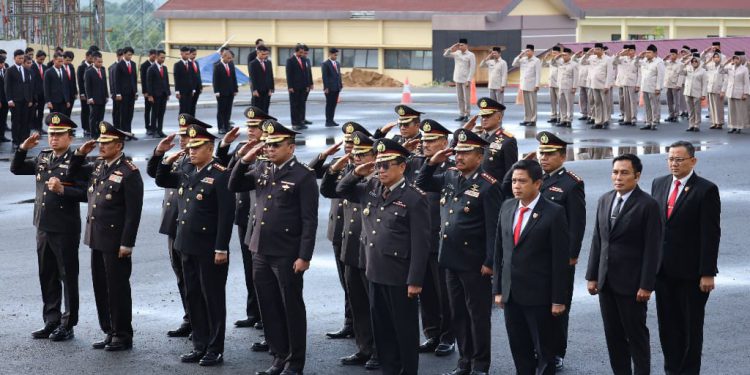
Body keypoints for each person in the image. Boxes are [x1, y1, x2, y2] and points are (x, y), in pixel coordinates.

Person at [228, 120, 319, 375]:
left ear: (290, 147)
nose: (269, 149)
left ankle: (295, 362)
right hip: (260, 249)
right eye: (267, 145)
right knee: (268, 306)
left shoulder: (303, 175)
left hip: (287, 253)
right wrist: (245, 159)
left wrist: (304, 256)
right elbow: (233, 185)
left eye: (275, 145)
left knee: (290, 307)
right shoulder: (262, 168)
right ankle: (279, 357)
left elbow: (309, 220)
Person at [335, 138, 430, 375]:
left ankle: (407, 371)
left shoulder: (414, 197)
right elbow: (339, 190)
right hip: (375, 270)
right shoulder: (371, 187)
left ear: (402, 167)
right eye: (378, 165)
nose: (380, 170)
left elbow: (421, 242)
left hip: (400, 275)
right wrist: (357, 172)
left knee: (404, 331)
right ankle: (389, 369)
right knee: (382, 329)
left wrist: (416, 280)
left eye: (386, 165)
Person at [417, 128, 501, 375]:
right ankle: (464, 362)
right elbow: (422, 184)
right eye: (457, 153)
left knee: (478, 316)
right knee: (458, 314)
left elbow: (493, 228)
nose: (459, 157)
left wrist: (490, 261)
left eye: (465, 153)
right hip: (450, 259)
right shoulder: (451, 175)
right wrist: (432, 163)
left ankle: (480, 364)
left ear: (480, 155)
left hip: (475, 262)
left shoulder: (488, 185)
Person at [501, 131, 585, 371]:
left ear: (562, 155)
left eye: (549, 154)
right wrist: (521, 165)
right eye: (541, 154)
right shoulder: (534, 178)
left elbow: (576, 224)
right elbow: (506, 189)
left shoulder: (571, 183)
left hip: (557, 256)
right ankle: (540, 349)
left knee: (557, 308)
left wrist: (571, 255)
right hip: (532, 255)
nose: (544, 158)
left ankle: (557, 350)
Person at [155, 123, 235, 367]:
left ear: (210, 148)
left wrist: (222, 247)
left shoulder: (221, 174)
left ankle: (214, 348)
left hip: (209, 248)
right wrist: (165, 160)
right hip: (185, 244)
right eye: (190, 147)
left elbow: (226, 215)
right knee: (193, 296)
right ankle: (199, 345)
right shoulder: (187, 169)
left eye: (197, 147)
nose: (191, 151)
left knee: (212, 298)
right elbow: (161, 180)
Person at [10, 113, 87, 342]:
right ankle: (50, 320)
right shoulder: (43, 157)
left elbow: (86, 193)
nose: (53, 139)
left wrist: (64, 190)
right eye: (51, 134)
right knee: (47, 274)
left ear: (70, 138)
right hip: (43, 225)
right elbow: (16, 168)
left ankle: (68, 323)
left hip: (65, 227)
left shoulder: (77, 161)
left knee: (67, 276)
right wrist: (23, 148)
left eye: (59, 135)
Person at [69, 122, 144, 352]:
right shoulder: (99, 165)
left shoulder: (129, 172)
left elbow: (133, 213)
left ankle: (122, 334)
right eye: (100, 142)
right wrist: (80, 153)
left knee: (117, 287)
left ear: (119, 145)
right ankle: (109, 330)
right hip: (96, 237)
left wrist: (127, 243)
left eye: (106, 143)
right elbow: (72, 173)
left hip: (115, 241)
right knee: (101, 286)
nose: (101, 147)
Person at [586, 154, 662, 375]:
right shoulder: (605, 199)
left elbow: (653, 248)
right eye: (615, 172)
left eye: (624, 173)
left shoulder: (648, 205)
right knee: (613, 335)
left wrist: (647, 284)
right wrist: (592, 276)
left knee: (636, 335)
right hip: (606, 281)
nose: (618, 177)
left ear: (637, 176)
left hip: (632, 284)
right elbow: (597, 240)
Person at [493, 159, 569, 375]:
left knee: (545, 352)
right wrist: (498, 289)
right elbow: (500, 251)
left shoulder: (554, 213)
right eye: (514, 181)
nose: (516, 185)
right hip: (511, 294)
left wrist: (558, 299)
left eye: (522, 181)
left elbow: (559, 260)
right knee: (519, 349)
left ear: (537, 184)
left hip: (540, 297)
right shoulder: (507, 207)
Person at [651, 141, 721, 375]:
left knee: (690, 327)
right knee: (667, 327)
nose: (674, 163)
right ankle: (671, 370)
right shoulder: (659, 184)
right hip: (663, 271)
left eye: (679, 159)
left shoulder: (705, 190)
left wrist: (708, 272)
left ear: (693, 161)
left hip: (692, 274)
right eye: (670, 159)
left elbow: (710, 234)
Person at [319, 129, 381, 370]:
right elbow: (327, 190)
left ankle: (379, 350)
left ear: (373, 156)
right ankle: (364, 348)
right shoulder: (351, 176)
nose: (356, 159)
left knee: (375, 305)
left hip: (370, 252)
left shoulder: (378, 179)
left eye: (362, 155)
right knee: (357, 302)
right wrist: (337, 168)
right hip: (350, 247)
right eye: (354, 155)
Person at [308, 123, 371, 341]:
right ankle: (350, 323)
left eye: (352, 144)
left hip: (361, 236)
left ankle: (365, 332)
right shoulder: (341, 165)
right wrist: (326, 157)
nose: (348, 148)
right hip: (340, 232)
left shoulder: (367, 170)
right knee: (348, 283)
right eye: (345, 142)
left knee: (361, 287)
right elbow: (314, 174)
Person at [221, 107, 274, 331]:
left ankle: (266, 317)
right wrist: (224, 146)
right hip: (244, 216)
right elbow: (226, 171)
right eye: (249, 127)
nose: (250, 131)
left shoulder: (271, 151)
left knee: (262, 271)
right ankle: (253, 312)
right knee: (248, 267)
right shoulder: (244, 149)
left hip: (261, 219)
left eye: (255, 127)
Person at [408, 120, 456, 359]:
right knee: (425, 289)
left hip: (442, 237)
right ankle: (432, 333)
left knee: (443, 292)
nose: (425, 144)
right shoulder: (416, 163)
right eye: (424, 140)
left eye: (431, 140)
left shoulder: (453, 167)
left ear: (444, 143)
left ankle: (448, 337)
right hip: (420, 237)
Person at [467, 97, 518, 182]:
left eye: (488, 115)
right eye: (482, 116)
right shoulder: (478, 137)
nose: (484, 119)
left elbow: (510, 173)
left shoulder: (508, 141)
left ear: (499, 117)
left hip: (495, 191)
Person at [581, 43, 614, 129]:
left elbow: (610, 73)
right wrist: (588, 53)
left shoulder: (608, 59)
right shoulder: (592, 58)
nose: (596, 51)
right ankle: (598, 121)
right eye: (595, 49)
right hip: (594, 84)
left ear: (602, 50)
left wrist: (607, 85)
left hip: (603, 85)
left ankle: (606, 120)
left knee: (605, 103)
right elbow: (582, 62)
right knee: (597, 103)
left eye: (598, 49)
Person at [5, 49, 33, 150]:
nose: (21, 60)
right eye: (19, 58)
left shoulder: (26, 70)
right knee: (16, 121)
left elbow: (28, 85)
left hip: (25, 100)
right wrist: (9, 100)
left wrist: (30, 99)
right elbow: (7, 86)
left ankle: (23, 140)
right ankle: (15, 141)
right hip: (15, 101)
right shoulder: (10, 70)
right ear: (14, 58)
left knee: (25, 121)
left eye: (22, 58)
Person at [443, 38, 476, 122]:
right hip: (457, 79)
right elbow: (445, 55)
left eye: (462, 45)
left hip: (465, 80)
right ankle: (461, 114)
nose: (460, 46)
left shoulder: (470, 55)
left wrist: (469, 80)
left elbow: (472, 68)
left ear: (466, 45)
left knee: (466, 98)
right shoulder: (457, 53)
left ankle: (467, 114)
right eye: (459, 45)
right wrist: (452, 47)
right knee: (460, 98)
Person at [636, 44, 665, 130]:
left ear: (655, 53)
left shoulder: (659, 62)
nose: (647, 54)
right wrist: (638, 57)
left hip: (653, 88)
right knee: (647, 106)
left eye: (649, 52)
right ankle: (648, 122)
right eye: (647, 52)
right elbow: (636, 64)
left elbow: (661, 76)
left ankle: (654, 122)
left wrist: (658, 88)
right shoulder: (644, 60)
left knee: (654, 106)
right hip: (645, 87)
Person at [512, 45, 542, 126]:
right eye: (526, 51)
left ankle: (533, 120)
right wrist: (520, 55)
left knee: (533, 104)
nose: (527, 52)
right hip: (524, 84)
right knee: (526, 104)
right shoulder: (523, 59)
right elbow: (514, 64)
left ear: (533, 51)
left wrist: (537, 85)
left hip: (532, 85)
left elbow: (538, 74)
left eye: (528, 51)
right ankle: (527, 119)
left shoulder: (536, 60)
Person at [722, 51, 750, 134]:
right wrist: (726, 62)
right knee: (731, 111)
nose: (735, 60)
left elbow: (746, 82)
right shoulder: (730, 67)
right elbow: (720, 70)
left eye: (737, 59)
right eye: (734, 59)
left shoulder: (744, 69)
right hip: (731, 92)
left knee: (739, 110)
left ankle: (739, 127)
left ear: (740, 60)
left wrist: (745, 93)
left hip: (740, 92)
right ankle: (732, 126)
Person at [613, 45, 640, 126]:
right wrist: (620, 54)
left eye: (631, 50)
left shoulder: (637, 60)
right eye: (628, 51)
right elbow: (614, 62)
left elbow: (640, 73)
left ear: (634, 51)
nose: (630, 52)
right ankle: (627, 119)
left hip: (633, 83)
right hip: (624, 82)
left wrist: (638, 85)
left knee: (633, 102)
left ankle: (633, 119)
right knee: (626, 102)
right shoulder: (622, 59)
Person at [213, 49, 239, 134]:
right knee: (221, 110)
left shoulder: (231, 64)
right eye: (228, 58)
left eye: (231, 58)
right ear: (223, 56)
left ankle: (227, 125)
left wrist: (235, 89)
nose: (230, 60)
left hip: (230, 91)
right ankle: (221, 127)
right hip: (221, 92)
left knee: (228, 110)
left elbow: (234, 77)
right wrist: (216, 91)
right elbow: (215, 80)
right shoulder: (217, 66)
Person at [114, 47, 138, 138]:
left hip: (131, 92)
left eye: (131, 55)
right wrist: (118, 93)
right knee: (123, 113)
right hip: (123, 93)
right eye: (128, 54)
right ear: (124, 54)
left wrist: (135, 92)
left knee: (130, 113)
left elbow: (134, 79)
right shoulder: (119, 65)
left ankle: (129, 131)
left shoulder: (133, 64)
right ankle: (124, 133)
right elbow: (117, 80)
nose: (130, 56)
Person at [84, 52, 108, 140]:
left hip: (102, 98)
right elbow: (87, 86)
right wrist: (89, 98)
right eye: (99, 62)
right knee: (93, 117)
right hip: (93, 99)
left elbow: (105, 84)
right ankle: (93, 134)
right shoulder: (88, 71)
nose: (100, 64)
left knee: (100, 117)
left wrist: (106, 95)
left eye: (101, 62)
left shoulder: (102, 70)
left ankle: (99, 132)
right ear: (94, 61)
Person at [681, 53, 708, 132]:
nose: (694, 63)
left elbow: (704, 84)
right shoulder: (688, 68)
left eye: (696, 61)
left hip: (697, 92)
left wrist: (703, 94)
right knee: (690, 110)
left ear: (699, 62)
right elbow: (680, 71)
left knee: (697, 110)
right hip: (688, 92)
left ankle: (697, 125)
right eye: (692, 61)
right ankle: (691, 125)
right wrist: (685, 63)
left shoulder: (702, 71)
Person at [552, 48, 578, 128]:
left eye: (565, 55)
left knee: (569, 104)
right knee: (561, 104)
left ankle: (569, 120)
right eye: (563, 55)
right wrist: (559, 55)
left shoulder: (574, 64)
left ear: (570, 55)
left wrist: (574, 87)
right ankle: (563, 119)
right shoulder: (560, 62)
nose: (564, 57)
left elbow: (576, 77)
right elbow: (553, 62)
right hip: (560, 86)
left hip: (569, 86)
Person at [147, 50, 170, 138]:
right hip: (155, 95)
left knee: (161, 113)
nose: (163, 59)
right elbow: (149, 83)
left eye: (164, 57)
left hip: (163, 94)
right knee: (155, 113)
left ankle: (160, 130)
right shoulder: (151, 68)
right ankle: (154, 130)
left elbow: (166, 81)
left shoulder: (164, 68)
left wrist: (167, 93)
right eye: (161, 57)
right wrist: (150, 95)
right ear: (156, 57)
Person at [286, 45, 310, 130]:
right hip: (294, 87)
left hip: (303, 86)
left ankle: (300, 122)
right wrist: (290, 86)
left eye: (303, 52)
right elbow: (289, 74)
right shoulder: (290, 60)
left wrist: (307, 85)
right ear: (296, 51)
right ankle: (295, 123)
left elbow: (306, 73)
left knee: (301, 105)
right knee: (294, 105)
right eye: (300, 52)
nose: (302, 54)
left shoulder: (304, 60)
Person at [703, 51, 726, 130]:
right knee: (711, 107)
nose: (716, 58)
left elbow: (725, 80)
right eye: (714, 57)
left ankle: (719, 122)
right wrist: (709, 60)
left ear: (720, 58)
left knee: (718, 107)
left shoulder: (723, 67)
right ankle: (713, 122)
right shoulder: (710, 66)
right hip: (710, 88)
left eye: (717, 57)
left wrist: (723, 91)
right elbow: (702, 65)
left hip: (718, 89)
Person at [249, 45, 274, 114]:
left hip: (267, 90)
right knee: (257, 109)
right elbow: (252, 78)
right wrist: (254, 90)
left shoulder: (268, 63)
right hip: (258, 91)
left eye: (266, 54)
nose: (265, 56)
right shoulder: (253, 63)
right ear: (258, 53)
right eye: (263, 54)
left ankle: (265, 123)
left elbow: (270, 76)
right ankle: (257, 124)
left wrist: (271, 89)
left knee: (265, 109)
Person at [322, 48, 343, 127]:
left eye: (337, 55)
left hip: (336, 87)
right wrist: (326, 87)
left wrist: (340, 85)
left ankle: (332, 120)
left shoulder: (337, 63)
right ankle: (328, 121)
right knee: (329, 105)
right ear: (330, 54)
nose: (336, 56)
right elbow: (325, 77)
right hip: (329, 88)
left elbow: (339, 75)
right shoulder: (325, 64)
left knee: (334, 105)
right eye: (335, 55)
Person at [664, 49, 685, 123]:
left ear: (677, 55)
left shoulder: (680, 64)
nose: (672, 56)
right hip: (668, 84)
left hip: (675, 85)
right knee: (669, 101)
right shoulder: (667, 63)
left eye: (673, 54)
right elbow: (661, 63)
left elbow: (681, 75)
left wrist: (679, 85)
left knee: (676, 102)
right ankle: (671, 115)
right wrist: (665, 58)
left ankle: (676, 115)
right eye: (671, 54)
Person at [543, 46, 562, 124]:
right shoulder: (551, 60)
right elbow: (544, 65)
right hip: (551, 83)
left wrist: (556, 57)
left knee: (560, 101)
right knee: (553, 101)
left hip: (558, 84)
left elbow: (556, 63)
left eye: (555, 53)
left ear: (559, 53)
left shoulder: (561, 60)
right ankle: (553, 116)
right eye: (553, 53)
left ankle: (560, 116)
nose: (553, 54)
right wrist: (545, 57)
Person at [77, 50, 94, 137]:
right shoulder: (81, 67)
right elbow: (80, 81)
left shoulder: (93, 67)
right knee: (85, 111)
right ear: (86, 57)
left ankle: (91, 127)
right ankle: (85, 128)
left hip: (92, 93)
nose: (92, 59)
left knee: (92, 112)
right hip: (84, 94)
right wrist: (82, 93)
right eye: (90, 57)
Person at [174, 46, 195, 116]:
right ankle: (182, 124)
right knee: (183, 108)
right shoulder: (177, 65)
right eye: (186, 54)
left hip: (189, 90)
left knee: (188, 109)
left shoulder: (190, 64)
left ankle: (187, 124)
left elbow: (192, 77)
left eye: (188, 54)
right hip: (182, 91)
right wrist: (177, 91)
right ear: (181, 54)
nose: (188, 55)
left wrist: (193, 89)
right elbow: (176, 79)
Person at [140, 49, 156, 135]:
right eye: (153, 56)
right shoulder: (144, 65)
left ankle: (154, 126)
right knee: (147, 110)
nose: (154, 58)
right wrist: (145, 92)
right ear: (149, 55)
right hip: (148, 92)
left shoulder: (156, 65)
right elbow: (143, 80)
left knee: (155, 110)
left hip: (156, 92)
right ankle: (147, 126)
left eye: (155, 56)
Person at [574, 47, 593, 122]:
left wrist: (588, 54)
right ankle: (584, 114)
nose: (585, 55)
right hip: (581, 83)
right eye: (584, 53)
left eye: (586, 53)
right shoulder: (580, 60)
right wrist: (575, 55)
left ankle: (590, 114)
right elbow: (573, 60)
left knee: (590, 100)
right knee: (582, 99)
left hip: (589, 83)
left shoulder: (591, 60)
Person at [31, 50, 47, 134]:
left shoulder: (45, 67)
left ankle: (40, 127)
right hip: (34, 94)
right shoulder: (32, 66)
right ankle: (34, 127)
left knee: (41, 112)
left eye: (43, 59)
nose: (42, 61)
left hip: (43, 94)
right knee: (33, 112)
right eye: (40, 59)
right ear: (36, 57)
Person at [108, 49, 122, 130]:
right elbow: (112, 81)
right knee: (116, 111)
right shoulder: (113, 67)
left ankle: (119, 127)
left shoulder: (121, 66)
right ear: (118, 56)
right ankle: (116, 127)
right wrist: (115, 93)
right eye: (121, 56)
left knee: (120, 111)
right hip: (116, 93)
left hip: (121, 93)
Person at [301, 44, 314, 125]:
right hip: (301, 86)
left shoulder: (307, 60)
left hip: (307, 86)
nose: (306, 55)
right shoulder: (299, 61)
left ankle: (303, 118)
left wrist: (311, 83)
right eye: (304, 53)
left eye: (307, 53)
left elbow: (309, 72)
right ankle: (299, 119)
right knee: (300, 103)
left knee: (304, 102)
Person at [189, 48, 203, 116]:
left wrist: (200, 87)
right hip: (191, 88)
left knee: (194, 105)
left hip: (197, 87)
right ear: (189, 54)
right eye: (193, 54)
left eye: (195, 54)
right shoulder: (187, 64)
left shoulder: (196, 63)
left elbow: (198, 75)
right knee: (189, 105)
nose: (194, 56)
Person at [0, 55, 9, 142]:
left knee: (3, 119)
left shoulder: (6, 71)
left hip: (6, 100)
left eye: (3, 63)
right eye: (0, 63)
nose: (2, 65)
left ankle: (2, 136)